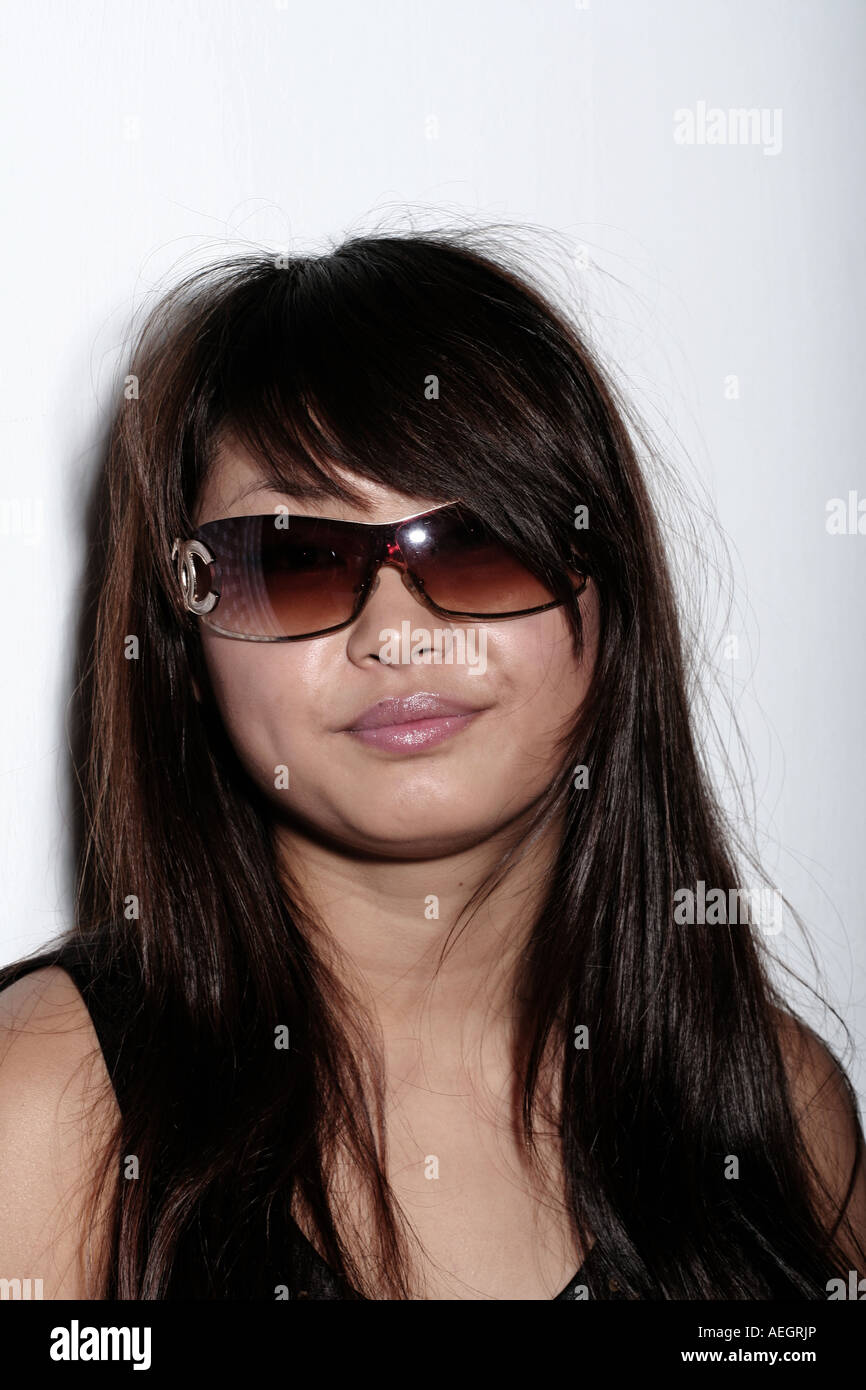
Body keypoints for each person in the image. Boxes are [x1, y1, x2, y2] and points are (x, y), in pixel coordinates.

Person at [0, 230, 863, 1300]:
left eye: (477, 544)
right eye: (291, 561)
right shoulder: (41, 1111)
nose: (396, 634)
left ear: (612, 587)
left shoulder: (781, 1108)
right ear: (183, 650)